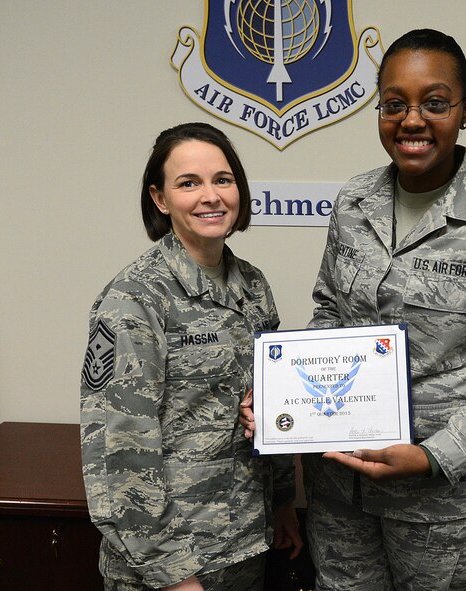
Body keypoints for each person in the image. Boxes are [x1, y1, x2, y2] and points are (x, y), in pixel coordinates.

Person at [241, 28, 466, 590]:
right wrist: (282, 399)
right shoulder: (353, 202)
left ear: (465, 111)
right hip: (340, 491)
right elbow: (329, 316)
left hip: (441, 503)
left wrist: (434, 456)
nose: (411, 119)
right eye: (394, 104)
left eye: (434, 103)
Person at [80, 122, 302, 591]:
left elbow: (271, 402)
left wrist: (282, 502)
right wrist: (173, 576)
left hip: (244, 546)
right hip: (168, 564)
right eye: (188, 183)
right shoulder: (135, 298)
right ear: (160, 199)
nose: (211, 196)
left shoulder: (253, 287)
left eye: (223, 179)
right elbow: (119, 451)